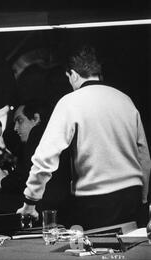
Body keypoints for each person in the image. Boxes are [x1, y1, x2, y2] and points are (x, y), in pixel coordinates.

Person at [17, 46, 151, 230]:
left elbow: (44, 158)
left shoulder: (70, 102)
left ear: (72, 74)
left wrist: (30, 201)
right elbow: (144, 157)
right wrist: (142, 199)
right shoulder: (125, 100)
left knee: (96, 254)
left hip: (96, 201)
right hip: (132, 196)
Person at [0, 101, 70, 220]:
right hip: (59, 206)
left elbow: (28, 179)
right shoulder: (54, 134)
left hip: (40, 206)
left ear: (35, 118)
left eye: (20, 121)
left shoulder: (37, 132)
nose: (15, 128)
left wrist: (2, 180)